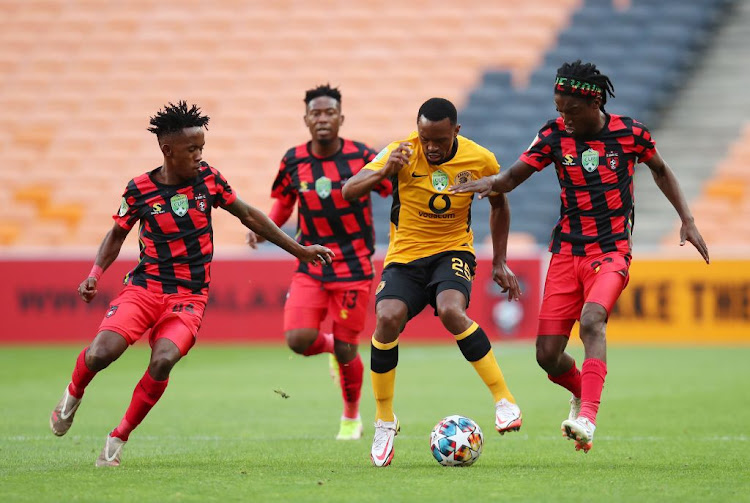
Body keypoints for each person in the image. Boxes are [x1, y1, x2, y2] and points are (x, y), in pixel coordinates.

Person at [49, 101, 334, 467]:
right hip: (144, 288)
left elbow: (249, 215)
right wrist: (94, 274)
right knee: (102, 353)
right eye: (192, 150)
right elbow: (116, 234)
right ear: (168, 151)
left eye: (202, 148)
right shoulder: (139, 189)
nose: (200, 156)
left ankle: (117, 438)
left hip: (189, 297)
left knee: (163, 360)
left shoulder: (210, 180)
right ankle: (73, 395)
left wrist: (299, 250)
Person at [450, 60, 710, 453]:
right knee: (547, 356)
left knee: (592, 320)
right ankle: (578, 391)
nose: (563, 117)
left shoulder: (631, 134)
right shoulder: (554, 135)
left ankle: (587, 416)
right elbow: (514, 177)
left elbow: (660, 170)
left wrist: (687, 220)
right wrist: (489, 183)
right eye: (558, 109)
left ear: (595, 104)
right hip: (566, 252)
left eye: (570, 110)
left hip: (611, 251)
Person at [342, 97, 523, 467]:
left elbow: (500, 204)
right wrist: (383, 170)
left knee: (450, 310)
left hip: (453, 251)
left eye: (439, 139)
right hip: (405, 258)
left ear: (456, 131)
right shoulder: (401, 152)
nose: (432, 147)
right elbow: (349, 191)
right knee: (387, 319)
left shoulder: (480, 159)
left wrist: (500, 260)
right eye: (426, 139)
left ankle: (503, 399)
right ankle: (384, 420)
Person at [246, 84, 392, 440]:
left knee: (348, 349)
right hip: (311, 264)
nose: (323, 119)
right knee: (298, 339)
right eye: (316, 113)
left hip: (355, 265)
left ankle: (351, 416)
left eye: (329, 113)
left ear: (341, 118)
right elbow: (284, 201)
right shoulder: (293, 159)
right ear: (306, 119)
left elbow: (393, 189)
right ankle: (326, 347)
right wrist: (267, 227)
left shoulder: (362, 156)